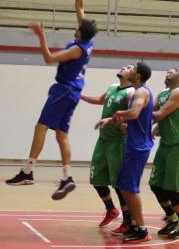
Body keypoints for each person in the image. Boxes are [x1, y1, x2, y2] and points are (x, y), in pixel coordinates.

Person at [6, 0, 98, 201]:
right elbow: (80, 6)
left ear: (80, 34)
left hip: (64, 89)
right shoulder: (86, 41)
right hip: (73, 91)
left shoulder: (77, 49)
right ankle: (67, 177)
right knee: (61, 134)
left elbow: (49, 58)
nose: (75, 28)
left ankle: (27, 172)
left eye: (77, 28)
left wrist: (41, 36)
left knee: (40, 128)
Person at [95, 62, 153, 244]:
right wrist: (112, 120)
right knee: (125, 187)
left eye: (133, 68)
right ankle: (135, 225)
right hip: (133, 144)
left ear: (138, 74)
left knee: (131, 189)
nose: (130, 69)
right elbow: (135, 118)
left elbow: (134, 113)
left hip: (138, 147)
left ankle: (142, 230)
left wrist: (118, 114)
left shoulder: (142, 91)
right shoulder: (136, 91)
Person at [80, 65, 135, 232]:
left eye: (128, 67)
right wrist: (79, 95)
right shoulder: (112, 87)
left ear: (134, 75)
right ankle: (111, 209)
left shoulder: (131, 92)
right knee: (96, 179)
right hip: (102, 140)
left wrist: (121, 124)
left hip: (118, 142)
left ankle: (127, 220)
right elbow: (99, 100)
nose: (123, 67)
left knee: (118, 184)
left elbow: (132, 114)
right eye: (123, 66)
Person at [150, 66, 179, 239]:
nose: (169, 70)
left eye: (174, 70)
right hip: (166, 143)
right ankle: (172, 218)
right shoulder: (163, 93)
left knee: (171, 188)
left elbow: (159, 114)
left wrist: (134, 112)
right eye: (168, 69)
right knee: (155, 185)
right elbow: (153, 114)